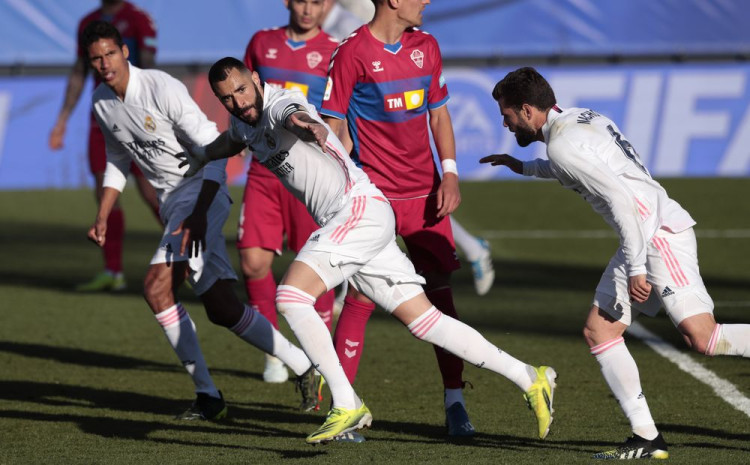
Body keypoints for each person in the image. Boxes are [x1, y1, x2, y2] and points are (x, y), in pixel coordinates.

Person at [178, 57, 557, 445]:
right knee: (425, 322)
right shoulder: (243, 121)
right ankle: (529, 376)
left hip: (355, 210)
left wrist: (308, 126)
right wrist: (203, 154)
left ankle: (345, 402)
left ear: (256, 79)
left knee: (291, 297)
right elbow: (233, 139)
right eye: (227, 98)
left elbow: (293, 116)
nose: (239, 102)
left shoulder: (279, 104)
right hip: (357, 223)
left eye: (242, 89)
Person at [482, 66, 750, 460]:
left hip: (655, 236)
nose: (505, 125)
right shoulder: (579, 119)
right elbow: (581, 170)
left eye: (506, 116)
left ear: (526, 110)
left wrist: (638, 266)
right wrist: (521, 166)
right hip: (643, 236)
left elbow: (623, 202)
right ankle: (646, 438)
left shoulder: (562, 145)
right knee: (600, 332)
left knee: (703, 337)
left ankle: (647, 437)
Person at [81, 20, 320, 420]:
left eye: (110, 53)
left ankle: (209, 396)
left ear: (125, 51)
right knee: (222, 308)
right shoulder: (102, 103)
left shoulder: (161, 88)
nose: (105, 63)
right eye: (95, 58)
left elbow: (214, 152)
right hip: (175, 206)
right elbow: (119, 159)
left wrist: (196, 214)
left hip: (200, 195)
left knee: (157, 289)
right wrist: (103, 213)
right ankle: (303, 366)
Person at [319, 0, 487, 437]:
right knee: (360, 297)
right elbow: (332, 125)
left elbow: (439, 114)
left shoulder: (426, 46)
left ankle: (455, 403)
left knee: (442, 297)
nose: (427, 1)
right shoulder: (351, 52)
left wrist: (448, 175)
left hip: (427, 196)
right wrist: (342, 187)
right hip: (375, 198)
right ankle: (345, 408)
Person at [240, 0, 340, 385]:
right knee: (252, 264)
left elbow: (338, 111)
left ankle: (320, 353)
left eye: (318, 1)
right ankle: (276, 352)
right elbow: (241, 100)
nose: (308, 8)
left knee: (317, 267)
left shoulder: (335, 50)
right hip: (265, 170)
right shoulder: (262, 43)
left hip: (308, 172)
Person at [50, 0, 161, 292]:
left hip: (137, 117)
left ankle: (190, 260)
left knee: (152, 193)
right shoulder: (88, 21)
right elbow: (79, 72)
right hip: (100, 119)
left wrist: (151, 113)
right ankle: (113, 272)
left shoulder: (138, 19)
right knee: (104, 193)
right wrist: (62, 120)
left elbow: (148, 66)